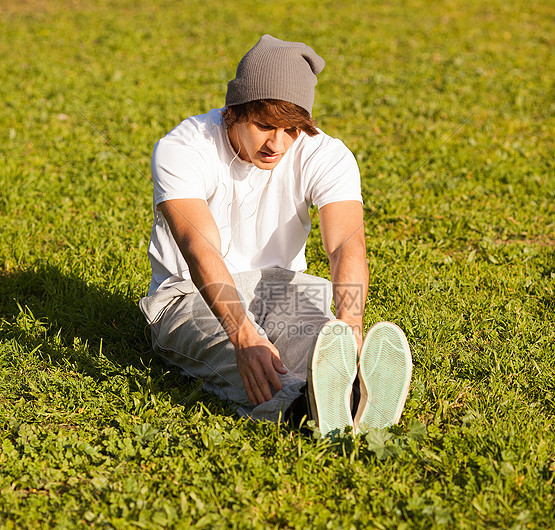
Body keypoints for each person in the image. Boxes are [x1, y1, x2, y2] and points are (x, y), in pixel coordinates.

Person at [139, 34, 412, 436]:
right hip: (188, 296)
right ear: (233, 111)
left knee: (324, 346)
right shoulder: (184, 148)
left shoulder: (326, 154)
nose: (277, 144)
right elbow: (200, 249)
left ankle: (351, 391)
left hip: (280, 288)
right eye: (264, 125)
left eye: (292, 129)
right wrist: (244, 335)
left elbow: (344, 244)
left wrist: (351, 322)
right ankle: (303, 409)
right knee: (252, 362)